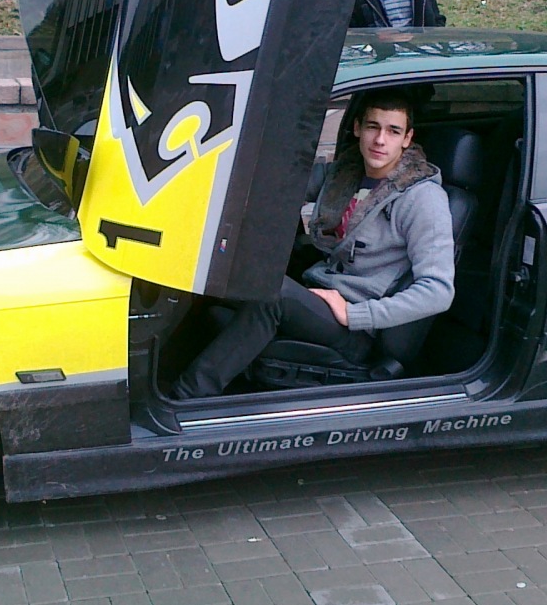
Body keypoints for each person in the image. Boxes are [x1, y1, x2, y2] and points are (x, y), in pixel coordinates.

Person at [169, 87, 455, 399]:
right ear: (357, 128)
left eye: (393, 131)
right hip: (319, 295)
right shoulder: (345, 173)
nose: (380, 140)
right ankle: (161, 372)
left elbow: (438, 291)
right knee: (223, 275)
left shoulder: (422, 199)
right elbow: (280, 188)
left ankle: (186, 397)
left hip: (356, 326)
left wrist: (357, 314)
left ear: (407, 138)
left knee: (273, 295)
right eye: (373, 127)